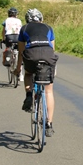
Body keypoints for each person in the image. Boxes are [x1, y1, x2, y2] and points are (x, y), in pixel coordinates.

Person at [15, 8, 58, 137]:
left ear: (27, 19)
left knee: (28, 73)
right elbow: (52, 48)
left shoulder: (24, 28)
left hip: (31, 55)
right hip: (47, 55)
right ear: (41, 18)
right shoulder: (48, 28)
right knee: (49, 90)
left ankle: (29, 95)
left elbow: (21, 53)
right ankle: (49, 124)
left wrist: (18, 69)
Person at [1, 7, 22, 71]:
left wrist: (3, 39)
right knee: (19, 51)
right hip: (18, 37)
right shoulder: (19, 20)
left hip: (9, 37)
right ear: (16, 14)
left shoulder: (6, 20)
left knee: (8, 48)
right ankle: (20, 70)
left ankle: (8, 59)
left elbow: (3, 31)